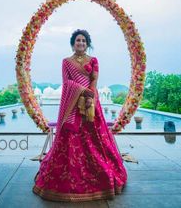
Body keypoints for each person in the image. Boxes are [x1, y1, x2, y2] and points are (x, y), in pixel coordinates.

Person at [33, 29, 127, 202]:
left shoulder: (93, 61)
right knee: (71, 138)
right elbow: (67, 82)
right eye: (78, 40)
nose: (81, 43)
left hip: (91, 103)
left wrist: (90, 96)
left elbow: (94, 81)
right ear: (73, 43)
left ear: (87, 43)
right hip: (73, 105)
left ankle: (100, 174)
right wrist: (80, 90)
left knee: (95, 139)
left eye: (84, 41)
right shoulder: (66, 62)